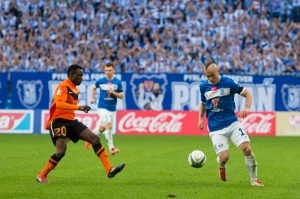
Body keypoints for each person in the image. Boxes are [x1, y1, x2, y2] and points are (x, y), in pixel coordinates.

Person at [36, 64, 125, 183]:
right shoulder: (63, 86)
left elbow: (67, 107)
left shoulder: (74, 88)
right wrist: (80, 107)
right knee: (61, 152)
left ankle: (109, 169)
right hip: (58, 122)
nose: (81, 78)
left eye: (82, 75)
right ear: (72, 75)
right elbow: (59, 104)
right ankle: (42, 175)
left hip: (71, 122)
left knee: (94, 139)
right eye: (79, 75)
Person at [198, 62, 264, 186]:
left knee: (247, 148)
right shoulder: (203, 87)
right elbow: (203, 103)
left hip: (232, 123)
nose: (210, 79)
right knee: (224, 157)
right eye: (207, 76)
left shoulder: (229, 83)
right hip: (215, 127)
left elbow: (248, 94)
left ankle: (254, 180)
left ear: (217, 71)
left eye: (211, 75)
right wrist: (200, 119)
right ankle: (221, 165)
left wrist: (246, 107)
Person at [85, 62, 123, 155]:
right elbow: (93, 88)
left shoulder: (118, 82)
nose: (108, 72)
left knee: (101, 129)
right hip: (102, 108)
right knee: (109, 125)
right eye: (106, 70)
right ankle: (112, 149)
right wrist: (92, 98)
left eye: (110, 70)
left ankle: (89, 139)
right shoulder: (101, 81)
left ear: (114, 70)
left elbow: (121, 96)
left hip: (112, 110)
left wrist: (113, 92)